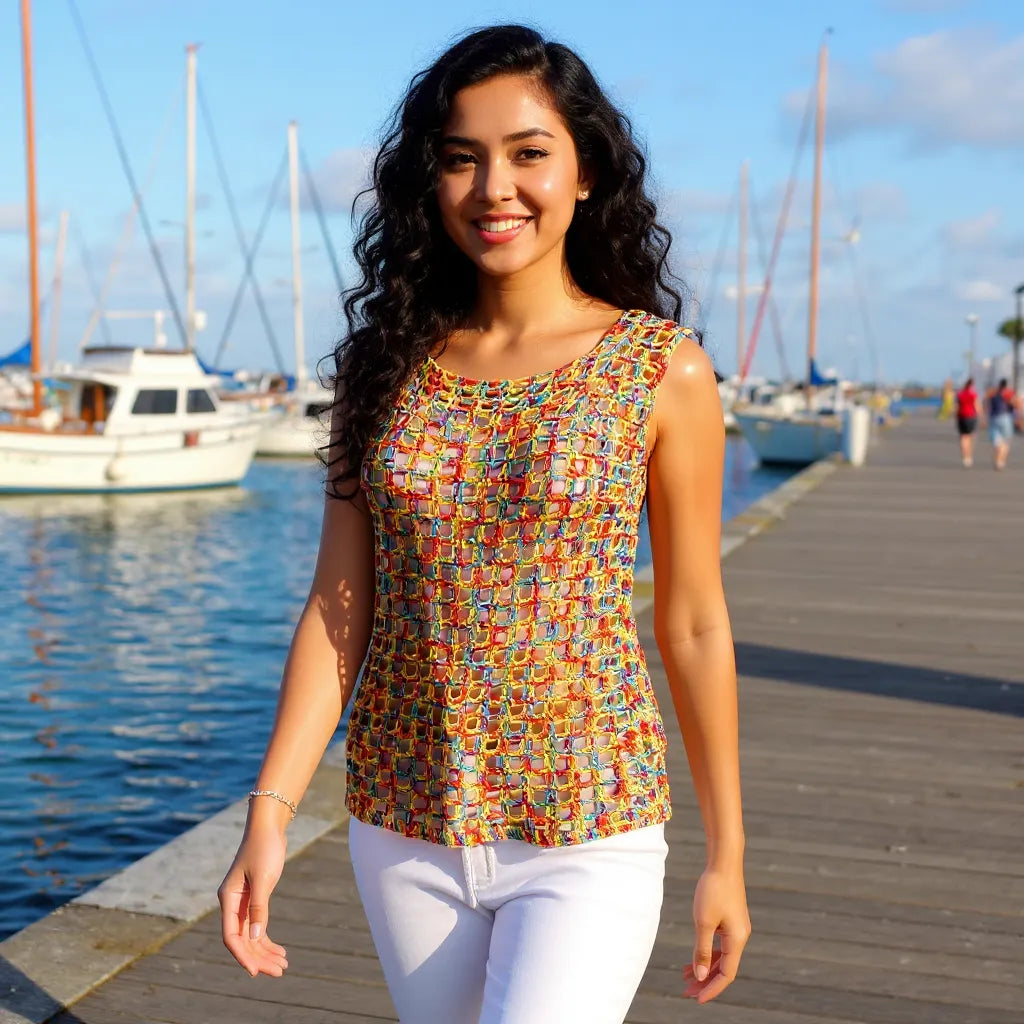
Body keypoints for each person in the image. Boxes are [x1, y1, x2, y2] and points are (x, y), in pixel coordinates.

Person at [217, 25, 749, 1023]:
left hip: (589, 819)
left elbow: (692, 623)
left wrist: (726, 853)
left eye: (527, 153)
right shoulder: (381, 371)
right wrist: (270, 815)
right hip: (404, 822)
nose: (493, 186)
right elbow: (338, 614)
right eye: (461, 159)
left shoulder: (658, 367)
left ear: (585, 171)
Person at [986, 378, 1018, 470]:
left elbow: (987, 403)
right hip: (1006, 417)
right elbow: (1016, 403)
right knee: (1006, 441)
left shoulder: (992, 393)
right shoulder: (1009, 393)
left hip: (994, 417)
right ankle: (1001, 461)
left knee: (997, 441)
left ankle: (998, 460)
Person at [955, 377, 980, 467]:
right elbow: (977, 406)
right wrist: (981, 416)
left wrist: (956, 415)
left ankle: (965, 457)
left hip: (961, 417)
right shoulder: (973, 394)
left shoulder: (960, 394)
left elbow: (957, 406)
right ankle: (969, 456)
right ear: (972, 385)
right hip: (971, 416)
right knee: (970, 437)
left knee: (963, 437)